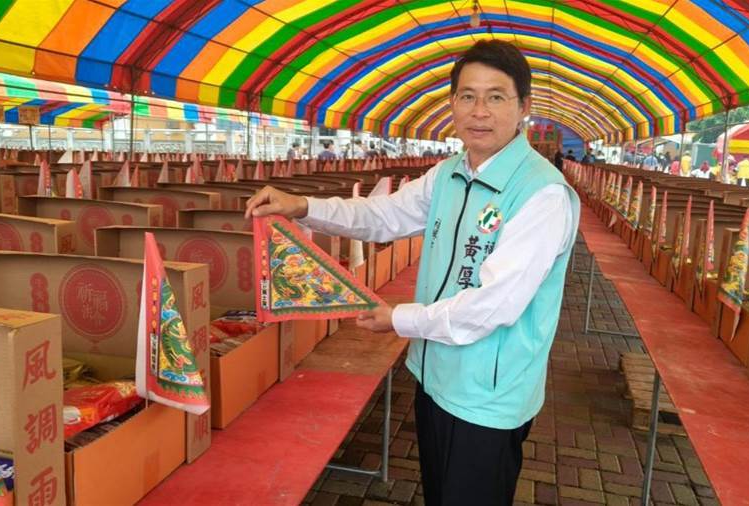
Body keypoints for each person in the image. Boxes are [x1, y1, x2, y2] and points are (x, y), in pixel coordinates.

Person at [244, 39, 579, 506]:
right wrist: (303, 206)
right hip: (433, 374)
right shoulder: (449, 173)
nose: (480, 111)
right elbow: (382, 215)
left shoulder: (541, 194)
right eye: (467, 96)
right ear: (452, 103)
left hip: (487, 395)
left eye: (496, 97)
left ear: (523, 106)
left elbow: (494, 307)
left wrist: (398, 319)